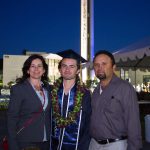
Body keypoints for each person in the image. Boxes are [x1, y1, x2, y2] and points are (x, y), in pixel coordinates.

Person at [89, 50, 142, 150]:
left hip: (115, 145)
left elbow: (133, 122)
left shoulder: (125, 88)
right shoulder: (96, 90)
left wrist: (134, 147)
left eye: (104, 64)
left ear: (113, 67)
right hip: (94, 144)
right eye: (96, 65)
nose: (99, 68)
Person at [7, 54, 51, 150]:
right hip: (26, 141)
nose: (36, 69)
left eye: (39, 66)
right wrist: (13, 145)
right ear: (27, 70)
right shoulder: (19, 89)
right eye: (33, 66)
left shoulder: (48, 89)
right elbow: (11, 118)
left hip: (46, 141)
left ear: (44, 70)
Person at [50, 49, 92, 150]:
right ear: (60, 69)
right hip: (52, 145)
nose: (67, 69)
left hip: (77, 146)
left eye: (72, 66)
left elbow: (88, 125)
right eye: (64, 66)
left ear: (78, 70)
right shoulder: (51, 92)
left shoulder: (85, 94)